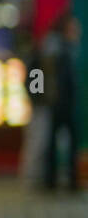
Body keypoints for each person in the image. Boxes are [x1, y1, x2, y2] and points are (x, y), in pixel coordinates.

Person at [34, 11, 81, 191]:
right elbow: (36, 72)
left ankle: (53, 181)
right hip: (57, 103)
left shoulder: (58, 47)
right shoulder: (57, 49)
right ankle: (55, 181)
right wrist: (37, 97)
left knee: (54, 142)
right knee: (52, 143)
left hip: (56, 102)